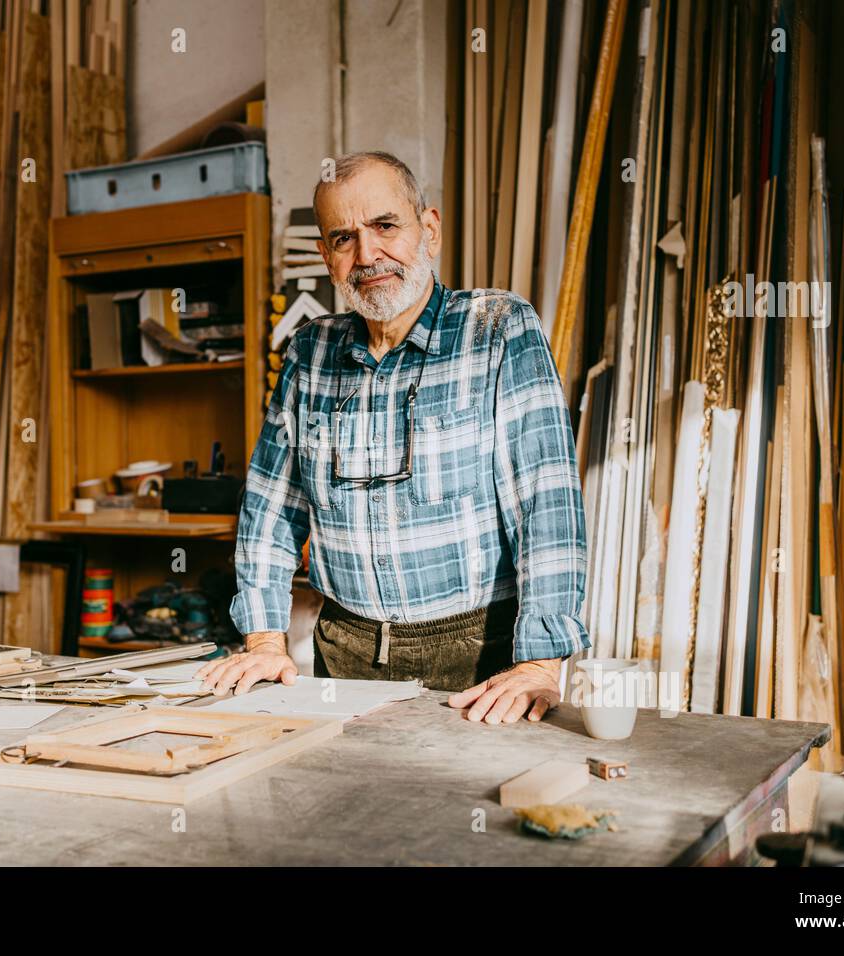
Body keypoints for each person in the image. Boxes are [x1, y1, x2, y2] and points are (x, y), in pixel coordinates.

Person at [197, 151, 589, 725]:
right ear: (325, 257)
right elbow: (271, 508)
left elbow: (547, 505)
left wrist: (540, 662)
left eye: (385, 226)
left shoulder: (498, 328)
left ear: (428, 230)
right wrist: (263, 641)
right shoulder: (310, 352)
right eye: (343, 238)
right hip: (345, 651)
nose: (367, 254)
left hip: (480, 658)